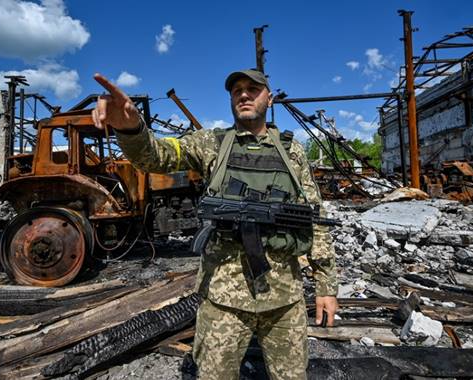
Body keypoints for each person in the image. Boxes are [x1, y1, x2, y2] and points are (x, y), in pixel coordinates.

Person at [91, 69, 338, 380]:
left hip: (284, 300)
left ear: (269, 98)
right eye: (237, 91)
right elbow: (155, 157)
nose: (244, 95)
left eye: (253, 89)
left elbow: (314, 218)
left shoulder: (292, 151)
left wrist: (326, 286)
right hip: (223, 300)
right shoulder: (210, 144)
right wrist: (131, 128)